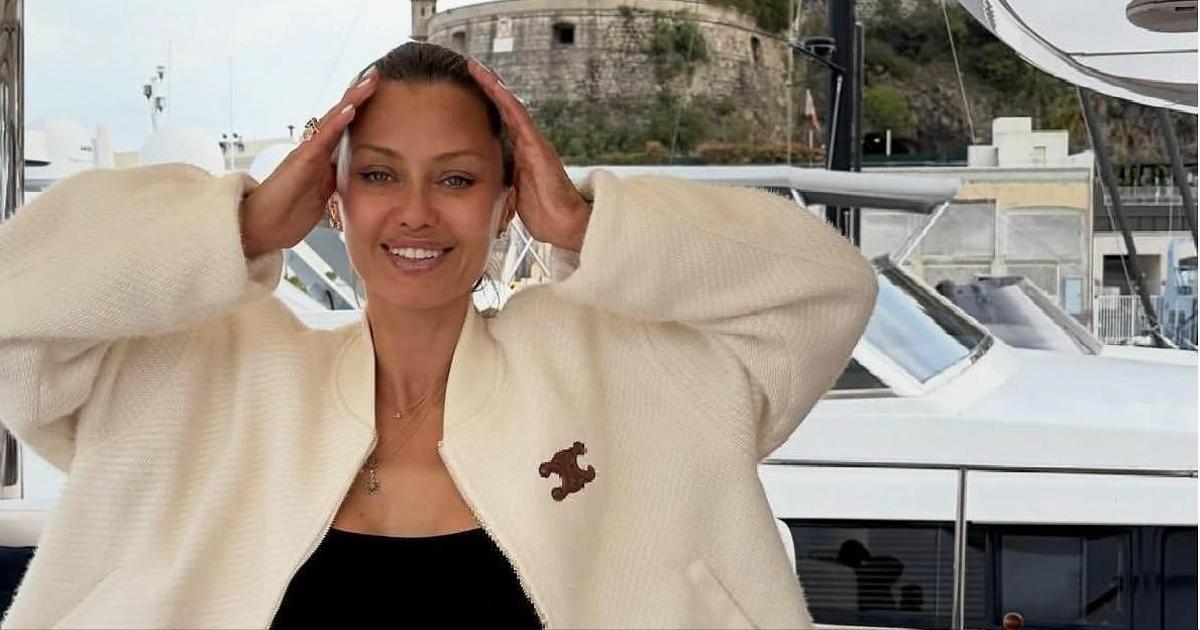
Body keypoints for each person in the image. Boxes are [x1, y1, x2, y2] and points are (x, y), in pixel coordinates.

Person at [0, 42, 876, 628]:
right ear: (333, 197)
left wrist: (586, 226)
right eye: (380, 176)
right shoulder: (214, 377)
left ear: (507, 202)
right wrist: (243, 225)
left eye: (456, 179)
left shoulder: (621, 374)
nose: (415, 212)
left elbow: (826, 291)